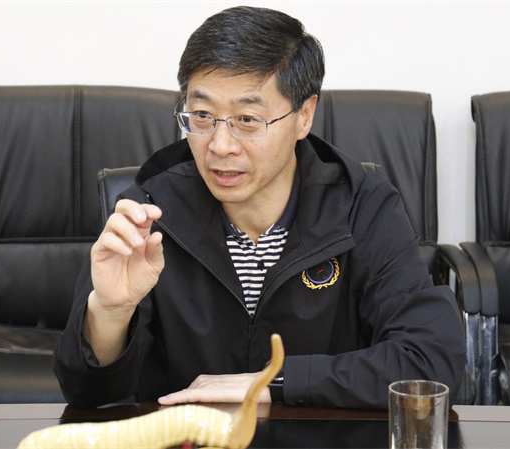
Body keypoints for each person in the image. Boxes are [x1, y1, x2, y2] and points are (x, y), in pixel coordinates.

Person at [54, 5, 465, 409]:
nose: (220, 146)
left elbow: (430, 361)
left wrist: (274, 382)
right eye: (202, 115)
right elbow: (86, 395)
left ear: (304, 116)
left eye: (247, 120)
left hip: (321, 439)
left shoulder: (362, 207)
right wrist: (110, 312)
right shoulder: (148, 210)